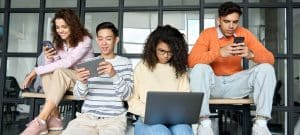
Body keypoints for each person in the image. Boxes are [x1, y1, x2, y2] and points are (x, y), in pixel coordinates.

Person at [188, 2, 276, 135]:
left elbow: (270, 59)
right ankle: (204, 124)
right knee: (200, 68)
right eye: (226, 21)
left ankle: (261, 125)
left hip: (236, 84)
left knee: (266, 68)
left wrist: (251, 55)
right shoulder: (207, 34)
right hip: (213, 85)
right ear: (219, 20)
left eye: (235, 22)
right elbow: (191, 61)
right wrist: (218, 52)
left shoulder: (244, 33)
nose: (231, 26)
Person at [20, 9, 94, 135]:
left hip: (83, 81)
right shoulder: (58, 43)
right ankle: (55, 118)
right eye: (58, 27)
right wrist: (48, 57)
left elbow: (67, 63)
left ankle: (41, 120)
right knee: (48, 73)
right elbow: (51, 69)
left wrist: (35, 71)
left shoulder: (85, 40)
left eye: (64, 26)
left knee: (59, 71)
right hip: (63, 83)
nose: (60, 30)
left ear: (73, 25)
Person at [61, 22, 133, 135]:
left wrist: (114, 75)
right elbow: (79, 96)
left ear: (116, 40)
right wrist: (82, 82)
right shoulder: (89, 63)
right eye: (100, 39)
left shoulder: (125, 63)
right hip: (87, 119)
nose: (104, 43)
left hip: (113, 120)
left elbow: (127, 95)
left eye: (108, 39)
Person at [128, 25, 194, 135]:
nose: (166, 56)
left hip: (175, 120)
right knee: (161, 132)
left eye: (170, 52)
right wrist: (149, 112)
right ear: (153, 48)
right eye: (162, 51)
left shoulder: (179, 69)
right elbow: (132, 101)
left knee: (184, 132)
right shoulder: (142, 67)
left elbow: (184, 99)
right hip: (147, 121)